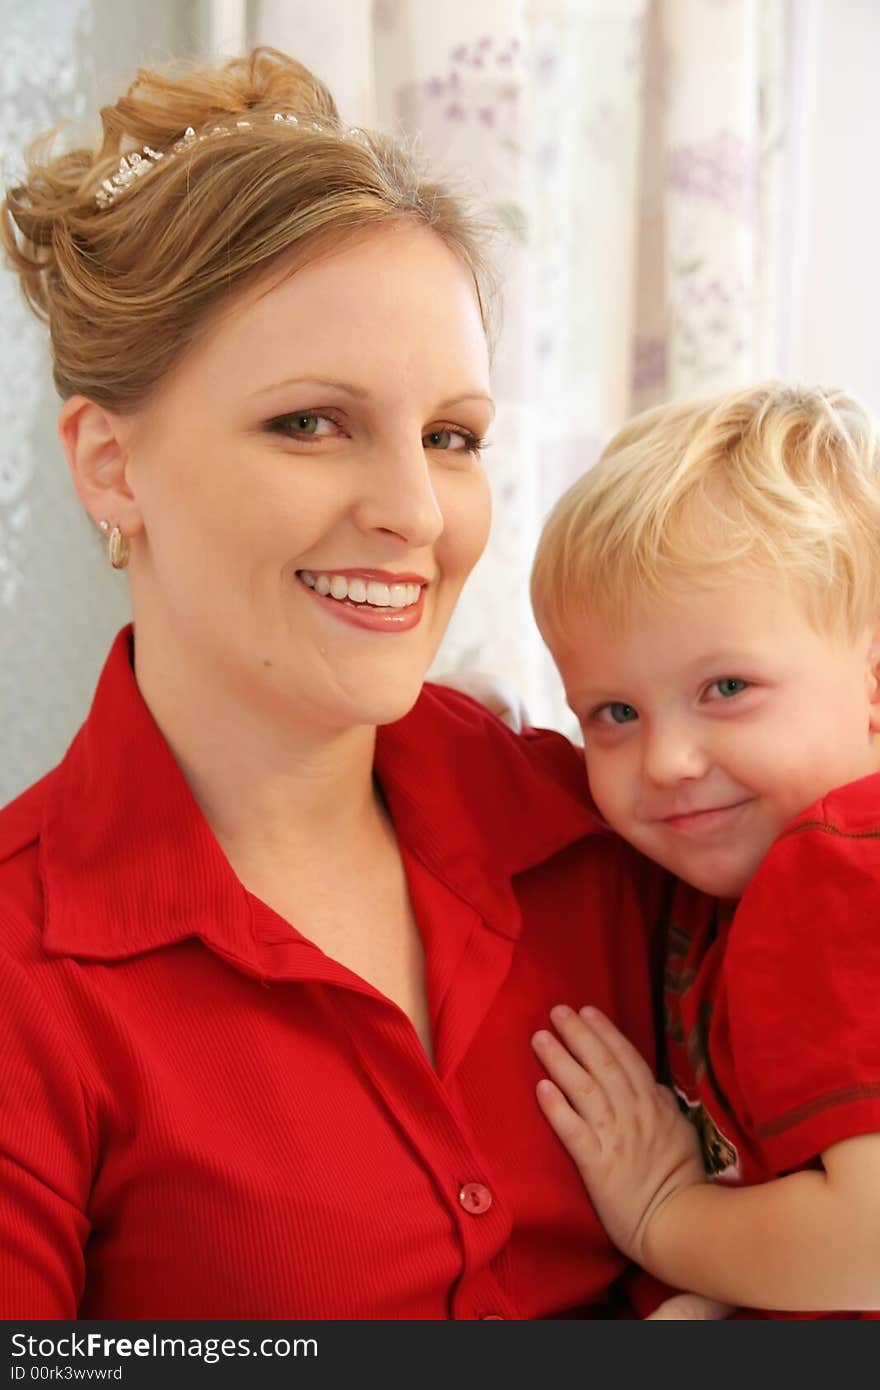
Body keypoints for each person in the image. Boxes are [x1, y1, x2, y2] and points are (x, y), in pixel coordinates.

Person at [0, 46, 714, 1321]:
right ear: (111, 467)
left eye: (451, 437)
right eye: (311, 421)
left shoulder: (619, 826)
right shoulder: (24, 975)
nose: (412, 514)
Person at [527, 381, 880, 1319]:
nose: (670, 762)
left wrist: (660, 1215)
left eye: (727, 686)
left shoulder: (842, 866)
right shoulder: (723, 873)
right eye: (614, 712)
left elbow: (868, 1247)